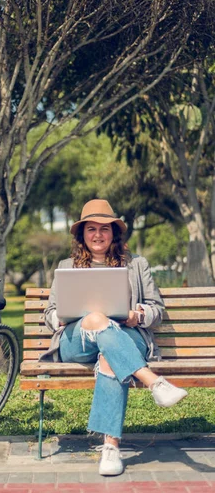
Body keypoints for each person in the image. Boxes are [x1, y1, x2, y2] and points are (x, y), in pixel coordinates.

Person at [41, 199, 187, 476]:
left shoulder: (136, 265)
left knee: (109, 356)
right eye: (91, 229)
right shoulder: (67, 266)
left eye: (104, 229)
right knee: (96, 318)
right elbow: (49, 312)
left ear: (114, 233)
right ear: (82, 235)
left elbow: (157, 310)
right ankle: (153, 382)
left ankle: (111, 448)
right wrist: (58, 317)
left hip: (126, 336)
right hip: (77, 341)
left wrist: (137, 315)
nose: (98, 235)